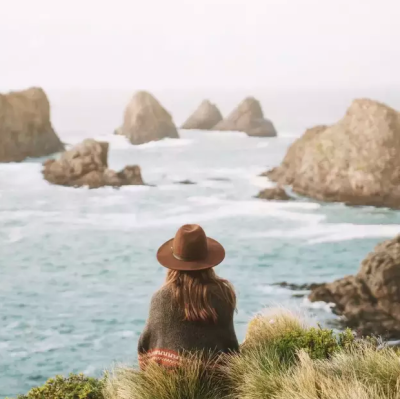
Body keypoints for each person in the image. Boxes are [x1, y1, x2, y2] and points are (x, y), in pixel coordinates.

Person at [138, 224, 239, 369]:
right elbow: (229, 345)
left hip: (166, 383)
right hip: (215, 381)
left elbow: (146, 344)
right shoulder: (223, 294)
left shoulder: (160, 297)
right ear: (208, 260)